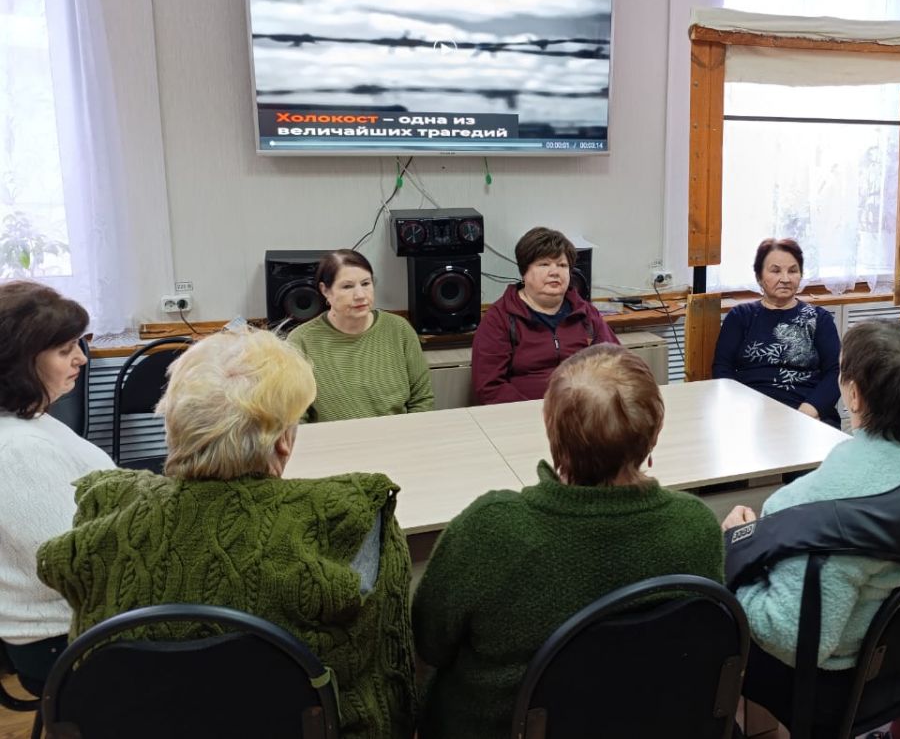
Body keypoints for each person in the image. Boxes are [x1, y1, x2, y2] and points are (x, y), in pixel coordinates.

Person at [38, 329, 417, 739]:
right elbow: (386, 669)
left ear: (173, 427)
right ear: (284, 443)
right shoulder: (356, 513)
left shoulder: (104, 505)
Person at [414, 344, 724, 739]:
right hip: (647, 720)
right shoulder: (695, 524)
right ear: (655, 434)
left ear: (551, 428)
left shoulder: (490, 529)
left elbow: (429, 643)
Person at [722, 321, 900, 732]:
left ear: (852, 393)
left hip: (841, 682)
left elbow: (788, 639)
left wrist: (737, 550)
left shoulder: (807, 504)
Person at [0, 281, 114, 691]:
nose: (81, 359)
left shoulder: (30, 417)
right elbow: (79, 562)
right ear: (21, 360)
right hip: (65, 641)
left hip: (79, 622)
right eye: (66, 350)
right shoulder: (17, 449)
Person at [471, 227, 618, 405]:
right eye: (544, 264)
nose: (554, 272)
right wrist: (536, 413)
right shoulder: (500, 317)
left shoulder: (586, 314)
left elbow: (616, 364)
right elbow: (489, 386)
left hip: (585, 412)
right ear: (524, 272)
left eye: (562, 265)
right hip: (523, 416)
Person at [288, 248, 434, 421]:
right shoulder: (301, 341)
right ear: (325, 290)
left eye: (366, 283)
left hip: (397, 439)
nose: (360, 295)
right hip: (334, 444)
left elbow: (422, 400)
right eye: (347, 286)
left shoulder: (399, 329)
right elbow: (296, 417)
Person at [711, 238, 841, 426]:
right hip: (749, 414)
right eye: (775, 270)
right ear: (759, 276)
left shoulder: (819, 318)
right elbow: (722, 369)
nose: (786, 279)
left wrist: (809, 410)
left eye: (793, 271)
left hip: (806, 412)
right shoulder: (740, 316)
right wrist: (740, 410)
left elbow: (836, 372)